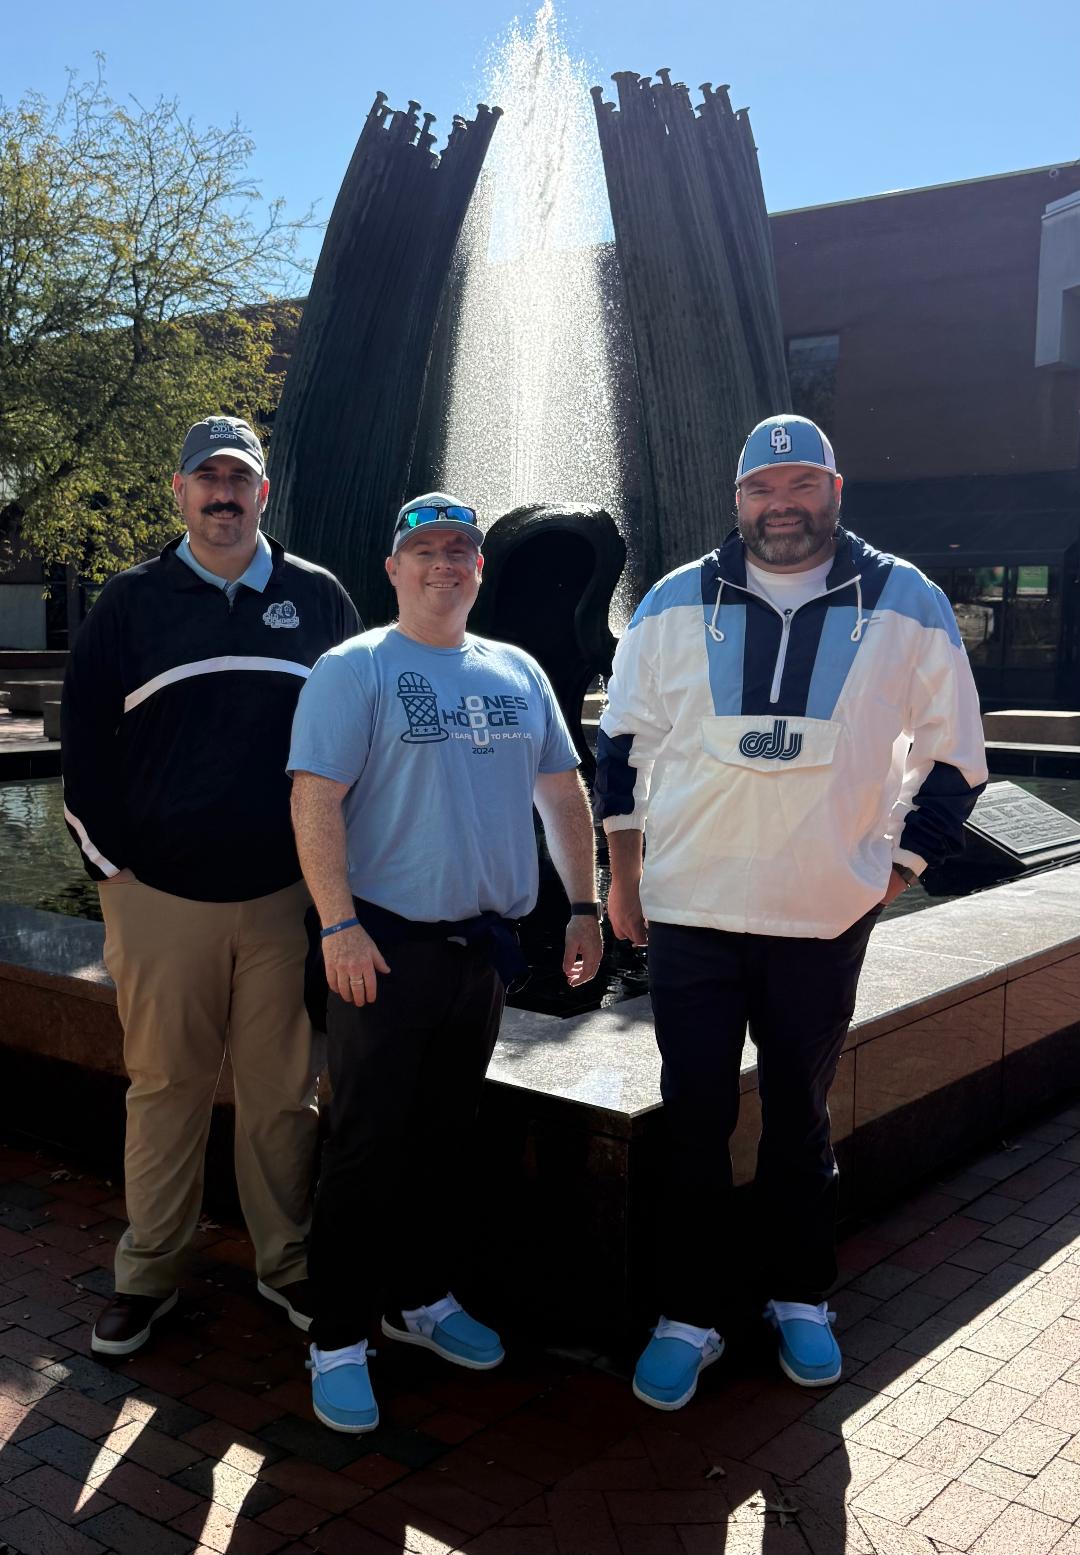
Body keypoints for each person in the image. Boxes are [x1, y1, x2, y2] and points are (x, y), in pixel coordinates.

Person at [595, 414, 988, 1410]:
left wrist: (892, 868)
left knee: (799, 1118)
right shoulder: (675, 600)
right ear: (739, 501)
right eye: (764, 489)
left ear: (834, 489)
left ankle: (800, 1294)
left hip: (823, 919)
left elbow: (956, 753)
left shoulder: (909, 599)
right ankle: (689, 1312)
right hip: (692, 916)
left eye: (801, 484)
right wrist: (625, 878)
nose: (783, 505)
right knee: (695, 1119)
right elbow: (624, 746)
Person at [288, 491, 603, 1434]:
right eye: (422, 548)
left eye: (459, 549)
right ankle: (338, 1335)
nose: (443, 564)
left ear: (478, 567)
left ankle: (420, 1298)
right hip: (381, 947)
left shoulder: (517, 670)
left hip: (483, 952)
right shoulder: (356, 668)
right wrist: (337, 926)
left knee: (445, 1133)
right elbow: (315, 802)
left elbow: (563, 791)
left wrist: (583, 904)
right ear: (393, 568)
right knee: (364, 1140)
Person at [61, 415, 361, 1356]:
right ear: (181, 491)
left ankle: (288, 1263)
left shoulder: (318, 598)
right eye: (207, 478)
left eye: (240, 478)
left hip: (283, 899)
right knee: (166, 1090)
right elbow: (81, 752)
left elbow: (362, 743)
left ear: (264, 493)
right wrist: (116, 874)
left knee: (283, 1094)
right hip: (160, 900)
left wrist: (336, 891)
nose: (224, 494)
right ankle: (147, 1272)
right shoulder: (127, 603)